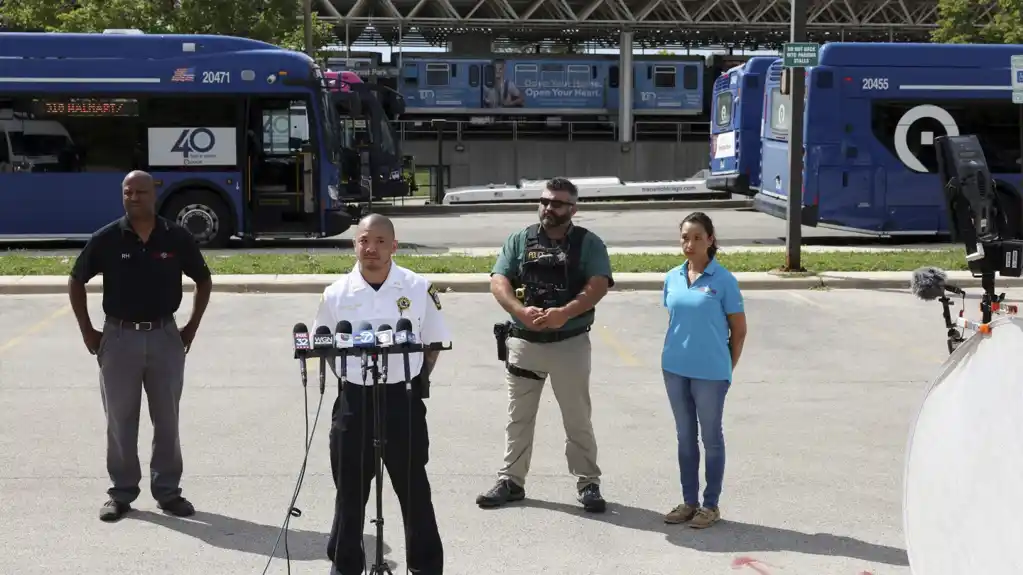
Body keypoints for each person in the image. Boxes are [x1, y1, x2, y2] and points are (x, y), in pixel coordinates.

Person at [68, 170, 213, 523]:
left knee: (167, 419)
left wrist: (190, 328)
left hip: (165, 337)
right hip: (118, 339)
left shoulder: (175, 236)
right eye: (127, 192)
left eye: (140, 192)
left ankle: (168, 493)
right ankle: (121, 493)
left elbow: (203, 279)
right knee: (120, 420)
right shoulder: (107, 238)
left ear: (154, 194)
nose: (133, 197)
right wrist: (89, 331)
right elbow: (76, 280)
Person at [314, 214, 449, 575]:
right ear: (354, 245)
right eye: (363, 240)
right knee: (350, 491)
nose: (370, 248)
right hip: (354, 401)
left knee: (413, 488)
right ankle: (346, 565)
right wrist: (347, 377)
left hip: (400, 400)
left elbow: (433, 343)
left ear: (394, 245)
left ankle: (424, 567)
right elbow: (325, 345)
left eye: (379, 241)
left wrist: (417, 380)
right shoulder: (336, 293)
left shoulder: (418, 288)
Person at [477, 176, 614, 513]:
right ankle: (511, 481)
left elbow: (598, 284)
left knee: (577, 417)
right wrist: (520, 311)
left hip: (570, 343)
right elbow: (499, 280)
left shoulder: (588, 243)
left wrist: (565, 313)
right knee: (518, 417)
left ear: (573, 208)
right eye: (544, 201)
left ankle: (588, 483)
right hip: (525, 342)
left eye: (557, 203)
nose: (548, 208)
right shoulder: (520, 240)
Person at [660, 211, 747, 529]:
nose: (690, 243)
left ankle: (710, 506)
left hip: (711, 373)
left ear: (710, 240)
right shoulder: (672, 277)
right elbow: (675, 320)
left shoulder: (723, 281)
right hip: (674, 369)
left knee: (711, 437)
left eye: (698, 237)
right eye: (685, 237)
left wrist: (727, 366)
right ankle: (688, 502)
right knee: (685, 437)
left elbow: (738, 330)